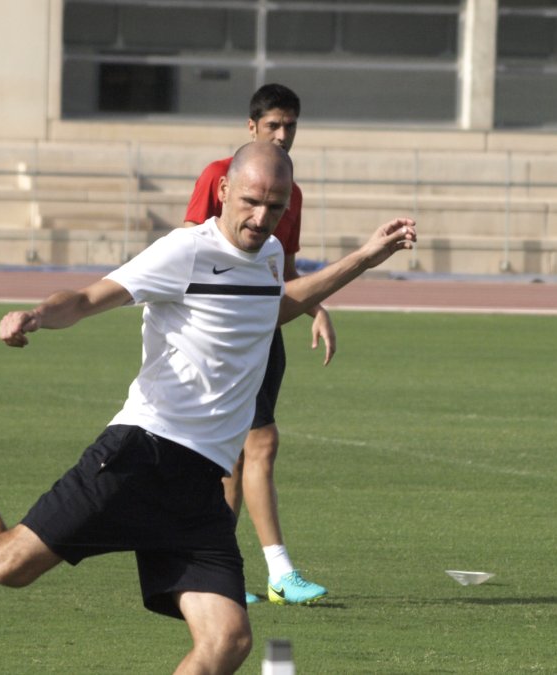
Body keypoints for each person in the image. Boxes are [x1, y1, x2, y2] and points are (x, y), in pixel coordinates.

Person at [0, 142, 416, 674]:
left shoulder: (268, 255)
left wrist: (363, 258)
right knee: (6, 563)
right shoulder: (184, 251)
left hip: (201, 486)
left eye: (276, 207)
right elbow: (87, 298)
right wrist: (37, 316)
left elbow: (271, 305)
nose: (262, 218)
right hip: (141, 454)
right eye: (252, 201)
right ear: (223, 189)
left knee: (228, 641)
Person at [183, 83, 332, 605]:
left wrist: (315, 307)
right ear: (252, 127)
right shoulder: (218, 175)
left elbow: (285, 269)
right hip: (227, 332)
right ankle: (279, 572)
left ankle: (215, 570)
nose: (282, 134)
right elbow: (189, 247)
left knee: (238, 457)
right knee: (259, 444)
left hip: (266, 330)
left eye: (290, 126)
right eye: (273, 125)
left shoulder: (293, 191)